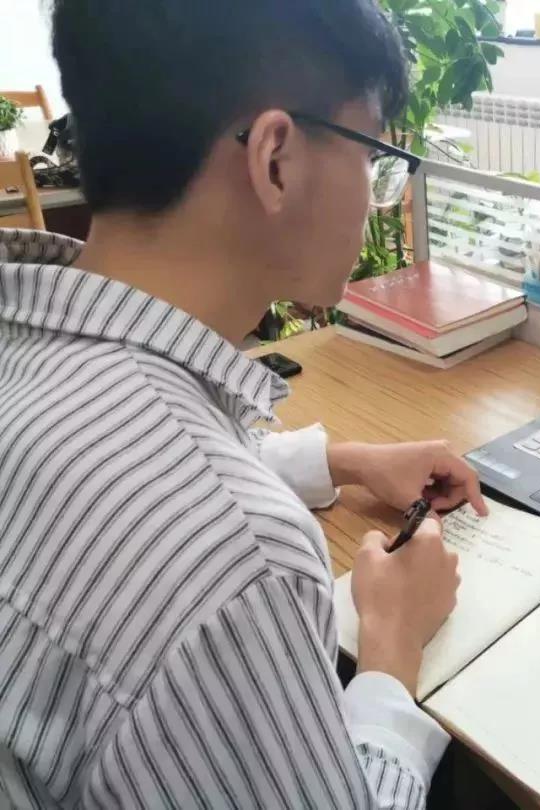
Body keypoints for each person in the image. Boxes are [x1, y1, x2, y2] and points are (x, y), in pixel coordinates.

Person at [0, 1, 486, 807]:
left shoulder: (30, 350)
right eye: (372, 153)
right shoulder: (237, 563)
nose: (375, 192)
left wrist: (341, 461)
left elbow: (126, 477)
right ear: (276, 162)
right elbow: (187, 522)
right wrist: (390, 650)